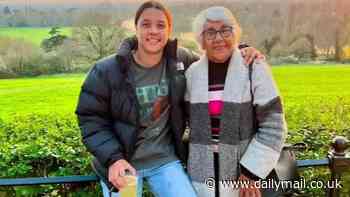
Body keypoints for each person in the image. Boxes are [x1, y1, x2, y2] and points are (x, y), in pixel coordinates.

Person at [75, 1, 261, 197]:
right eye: (146, 24)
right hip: (123, 164)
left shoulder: (181, 60)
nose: (153, 31)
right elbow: (90, 119)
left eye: (161, 25)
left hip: (164, 160)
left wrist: (241, 51)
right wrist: (113, 159)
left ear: (169, 30)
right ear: (136, 28)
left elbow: (215, 60)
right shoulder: (106, 70)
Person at [185, 6, 287, 197]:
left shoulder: (254, 67)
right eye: (210, 32)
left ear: (235, 33)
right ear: (201, 40)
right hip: (202, 171)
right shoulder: (192, 74)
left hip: (245, 173)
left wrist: (251, 172)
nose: (218, 38)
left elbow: (274, 126)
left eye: (225, 30)